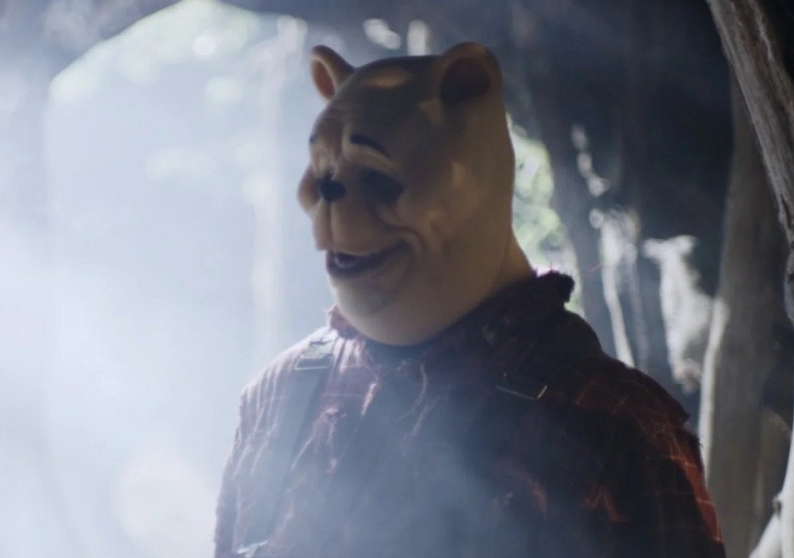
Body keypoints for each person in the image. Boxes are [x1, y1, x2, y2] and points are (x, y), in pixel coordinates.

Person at [213, 42, 725, 558]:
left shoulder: (609, 424)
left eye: (378, 177)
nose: (331, 203)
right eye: (325, 178)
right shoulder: (281, 395)